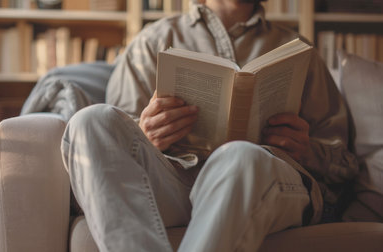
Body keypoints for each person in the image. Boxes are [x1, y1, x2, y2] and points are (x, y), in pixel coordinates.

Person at [61, 0, 359, 251]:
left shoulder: (296, 51)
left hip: (263, 178)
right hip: (175, 182)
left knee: (238, 155)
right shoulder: (151, 42)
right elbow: (119, 149)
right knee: (90, 121)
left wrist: (306, 151)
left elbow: (345, 164)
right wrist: (147, 133)